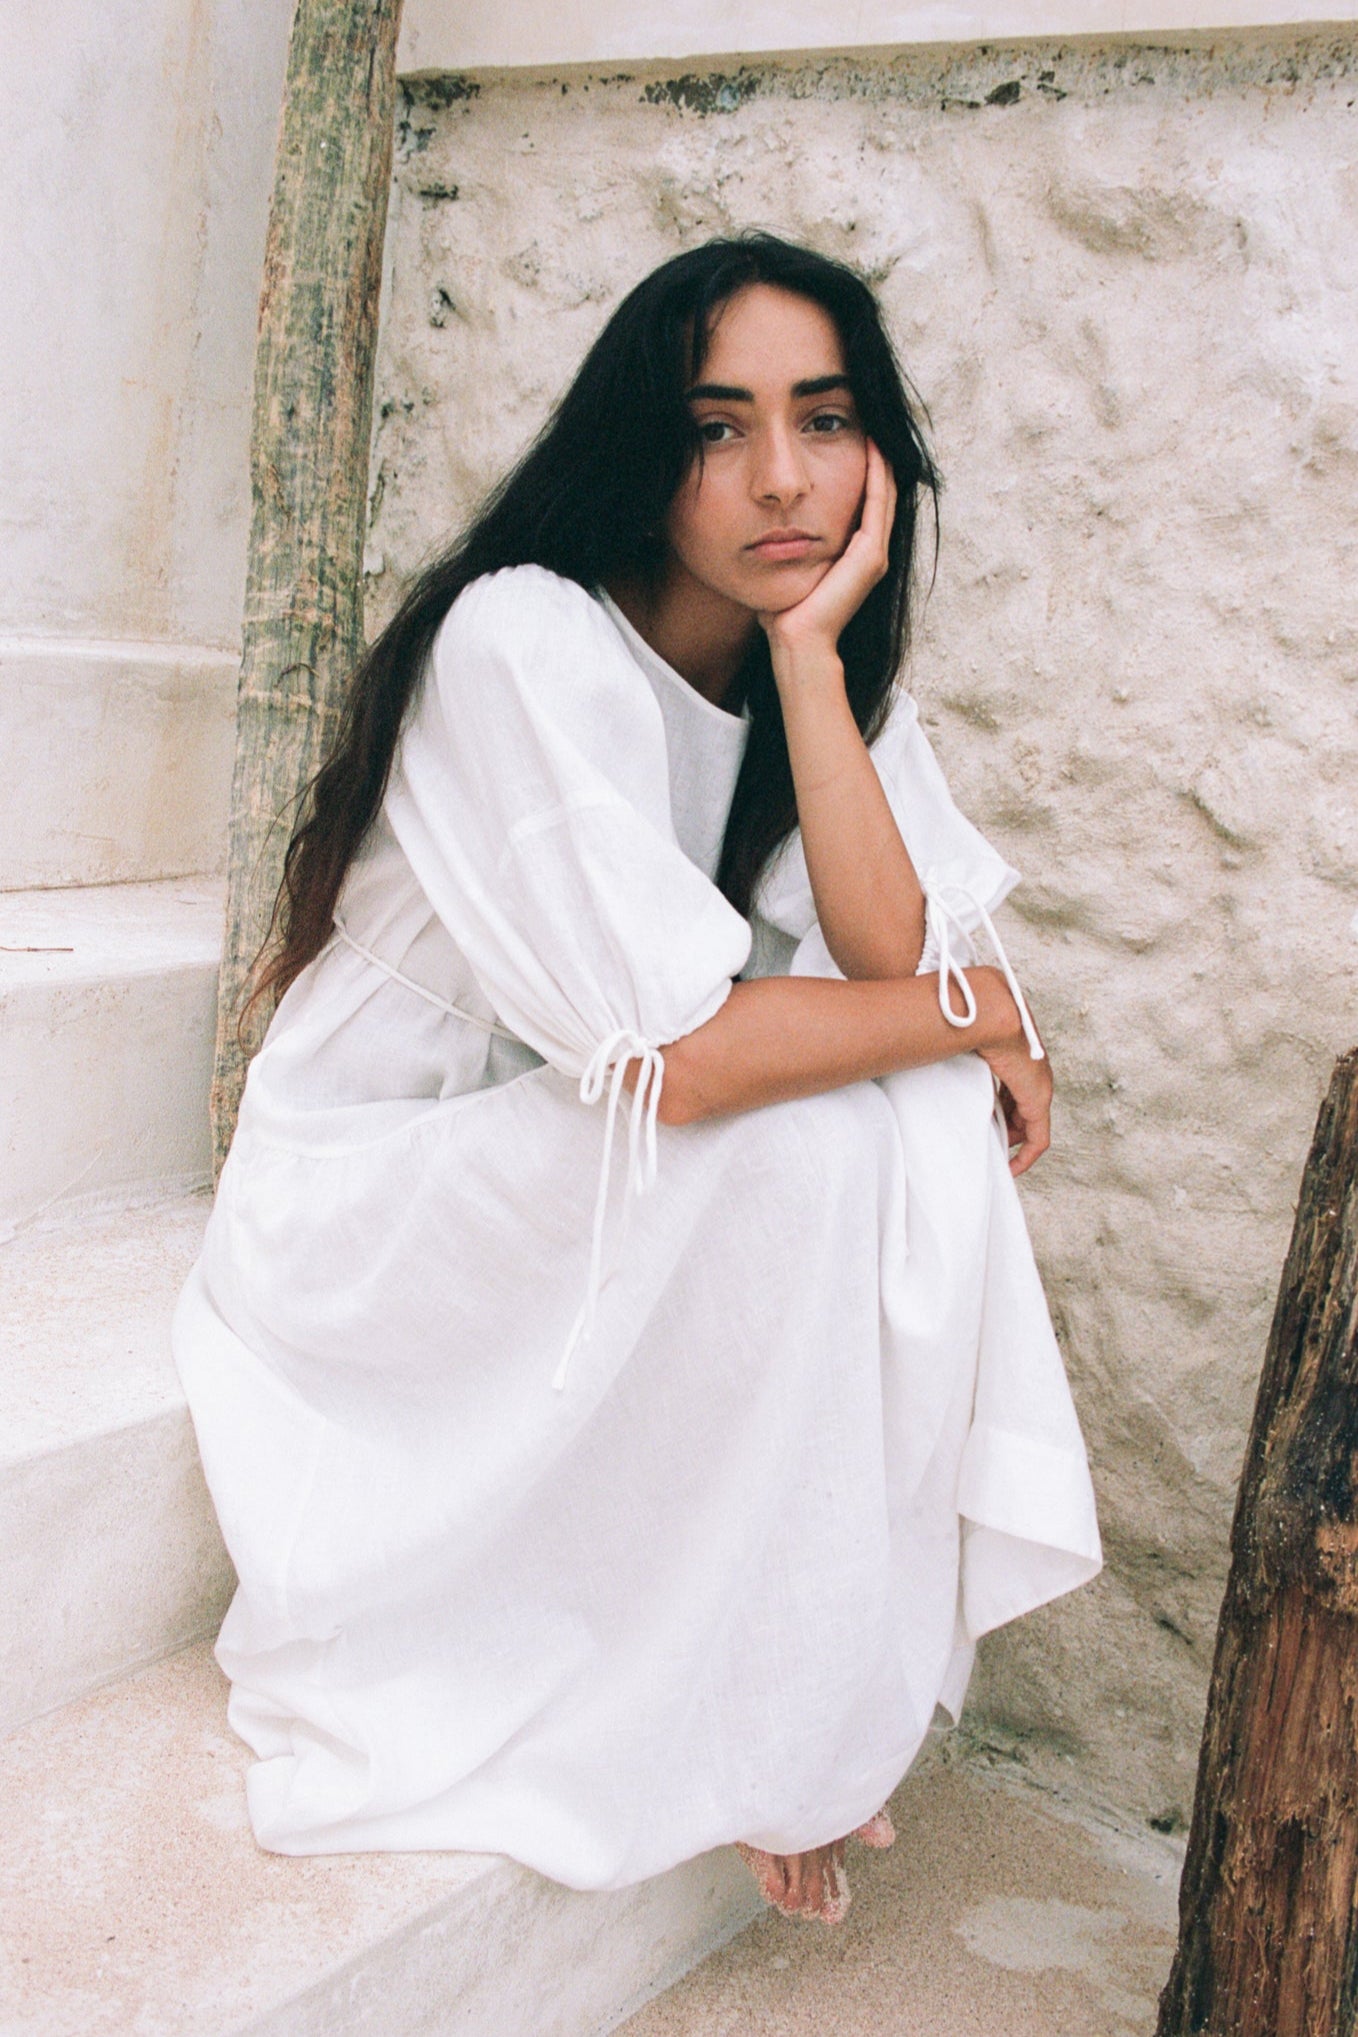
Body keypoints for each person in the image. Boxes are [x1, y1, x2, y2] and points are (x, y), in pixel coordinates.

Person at [174, 232, 1101, 1928]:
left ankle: (779, 1681)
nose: (780, 478)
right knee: (825, 1141)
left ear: (877, 454)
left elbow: (881, 957)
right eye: (713, 428)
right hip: (379, 1194)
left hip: (562, 1176)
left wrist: (812, 665)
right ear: (635, 450)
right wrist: (980, 1010)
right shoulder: (524, 638)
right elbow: (683, 1065)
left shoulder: (805, 665)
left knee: (905, 1123)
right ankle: (754, 1685)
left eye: (825, 421)